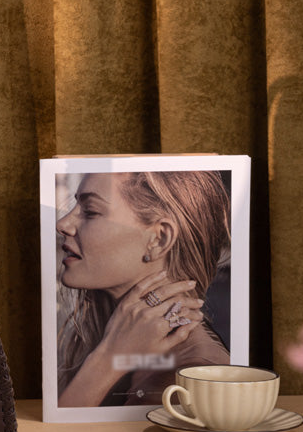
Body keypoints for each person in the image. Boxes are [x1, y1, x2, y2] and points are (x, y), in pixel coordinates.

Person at [56, 170, 230, 407]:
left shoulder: (188, 382)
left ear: (159, 239)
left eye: (90, 211)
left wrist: (106, 361)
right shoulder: (115, 340)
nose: (62, 224)